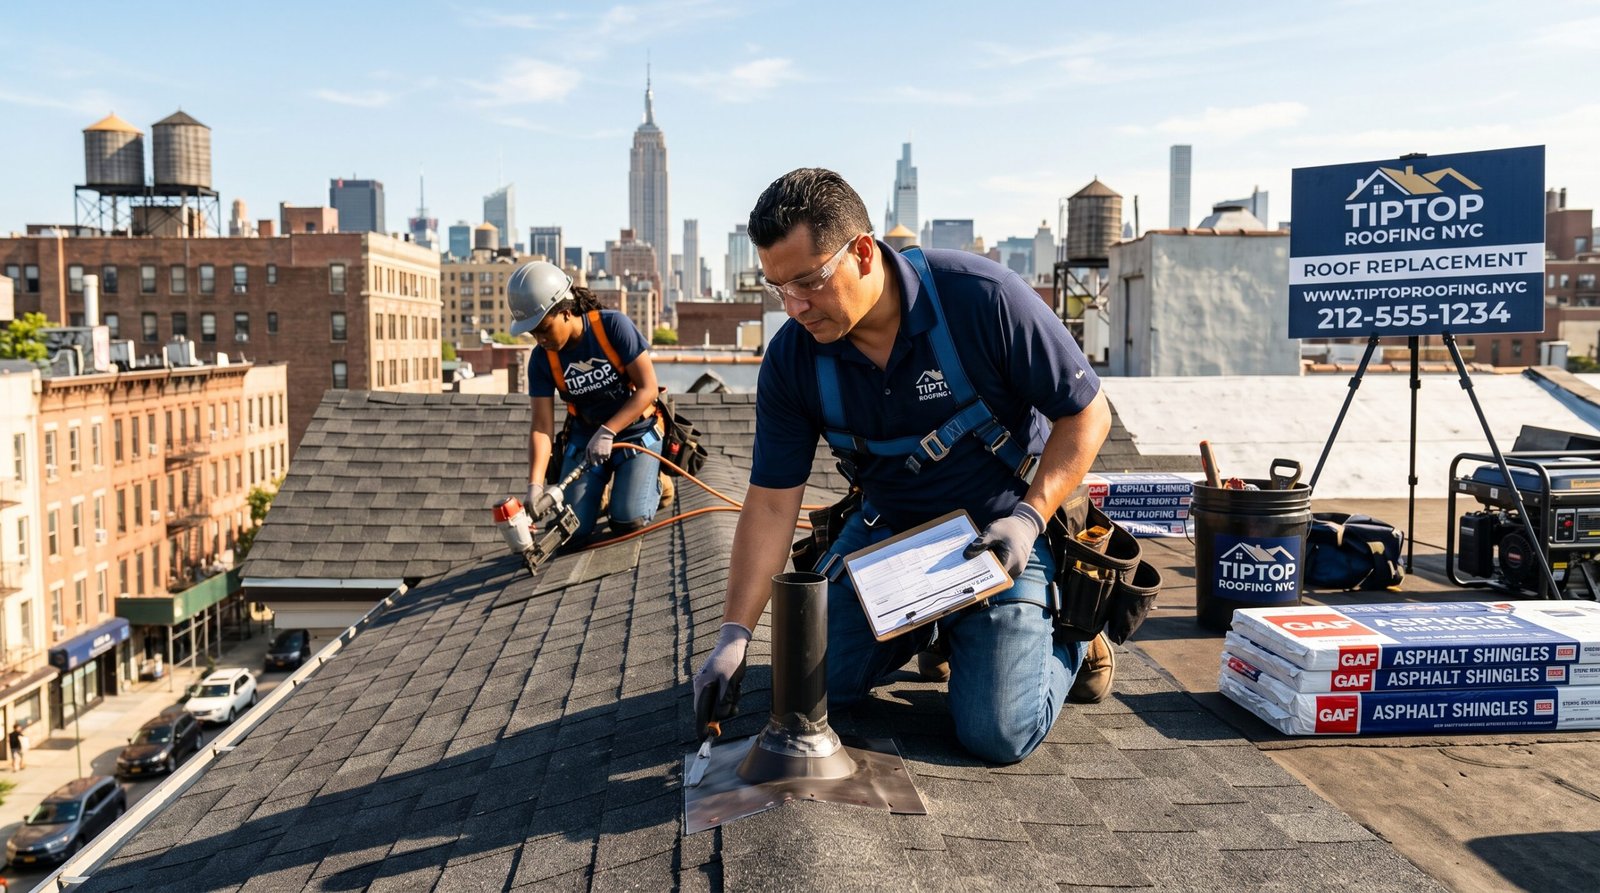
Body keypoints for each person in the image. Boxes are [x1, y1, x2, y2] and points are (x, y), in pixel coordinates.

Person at [693, 168, 1114, 764]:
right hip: (894, 540)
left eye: (808, 282)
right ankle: (936, 625)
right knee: (809, 693)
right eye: (777, 288)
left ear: (863, 252)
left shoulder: (981, 298)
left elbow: (1089, 415)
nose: (795, 307)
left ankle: (1073, 637)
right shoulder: (795, 358)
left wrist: (1029, 516)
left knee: (996, 734)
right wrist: (734, 634)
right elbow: (769, 503)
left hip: (1000, 535)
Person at [511, 260, 664, 542]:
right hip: (585, 437)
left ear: (566, 312)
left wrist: (609, 431)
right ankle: (599, 491)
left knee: (628, 519)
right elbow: (542, 426)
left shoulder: (613, 327)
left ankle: (656, 482)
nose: (540, 339)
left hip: (635, 434)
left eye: (544, 328)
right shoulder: (542, 360)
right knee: (573, 530)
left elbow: (648, 389)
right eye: (533, 333)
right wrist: (535, 483)